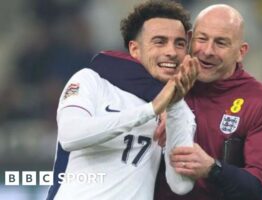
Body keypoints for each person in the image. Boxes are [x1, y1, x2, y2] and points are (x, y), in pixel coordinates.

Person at [47, 1, 199, 199]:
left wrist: (174, 105)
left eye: (179, 43)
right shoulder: (91, 80)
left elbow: (181, 185)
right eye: (159, 41)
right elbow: (70, 136)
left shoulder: (180, 111)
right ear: (135, 49)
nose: (171, 51)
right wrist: (150, 110)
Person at [154, 4, 262, 200]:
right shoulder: (161, 81)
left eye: (221, 43)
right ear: (190, 39)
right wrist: (156, 108)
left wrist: (211, 169)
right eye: (202, 39)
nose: (208, 51)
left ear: (241, 52)